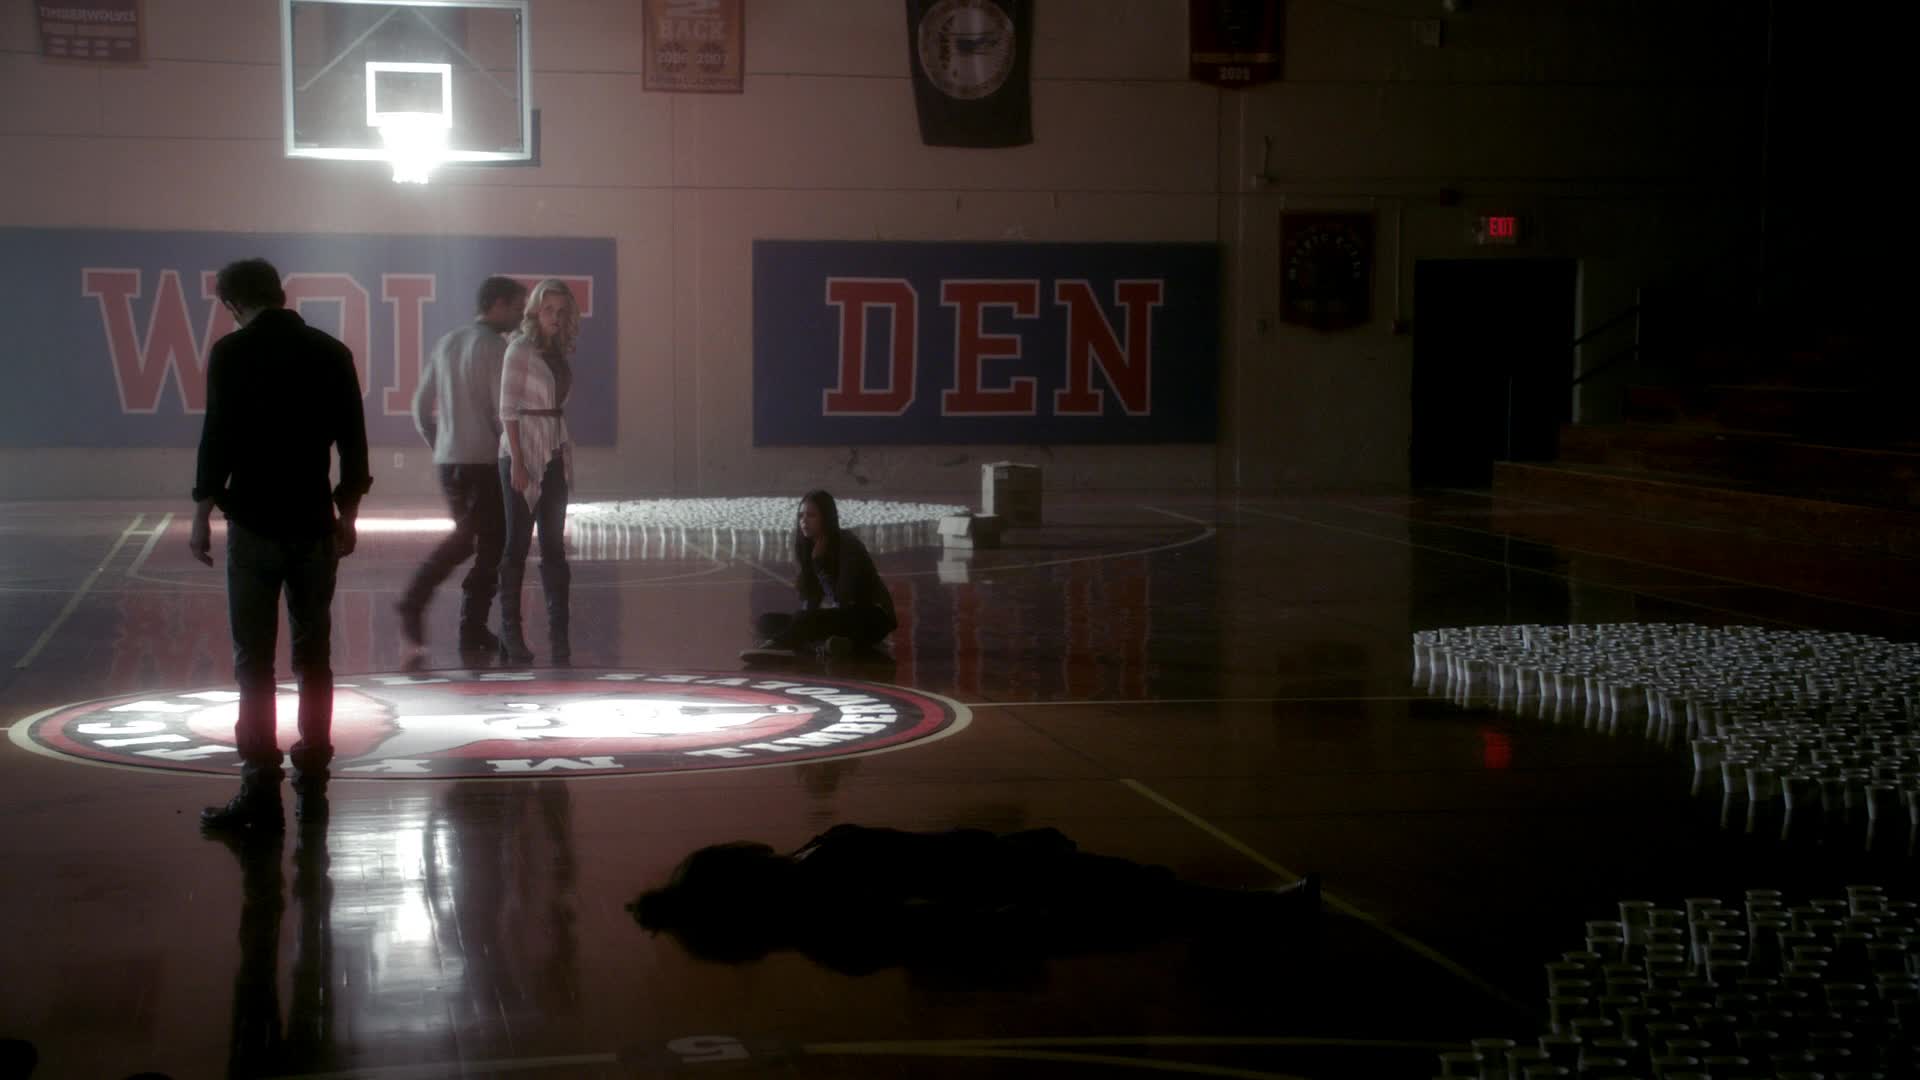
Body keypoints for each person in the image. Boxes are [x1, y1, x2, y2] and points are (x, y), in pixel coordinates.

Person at [630, 825, 1320, 979]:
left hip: (1014, 889)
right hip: (1020, 897)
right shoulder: (829, 886)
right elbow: (942, 916)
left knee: (1151, 901)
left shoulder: (826, 922)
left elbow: (936, 877)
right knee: (1148, 900)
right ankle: (1265, 916)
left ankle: (1258, 917)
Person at [190, 257, 371, 831]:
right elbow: (354, 444)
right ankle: (314, 776)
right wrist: (348, 513)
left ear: (232, 303)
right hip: (313, 524)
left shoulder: (231, 353)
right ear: (279, 292)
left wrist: (201, 512)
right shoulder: (331, 352)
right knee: (314, 655)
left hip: (254, 524)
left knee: (254, 661)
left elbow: (217, 437)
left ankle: (259, 789)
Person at [397, 275, 527, 663]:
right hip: (483, 463)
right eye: (517, 307)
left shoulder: (447, 342)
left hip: (449, 460)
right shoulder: (496, 349)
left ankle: (469, 626)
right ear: (497, 304)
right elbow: (502, 413)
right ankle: (421, 601)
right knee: (487, 544)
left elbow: (420, 408)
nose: (521, 316)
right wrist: (517, 459)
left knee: (477, 541)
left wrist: (441, 444)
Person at [497, 278, 578, 665]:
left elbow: (555, 405)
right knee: (516, 545)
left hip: (554, 449)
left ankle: (559, 636)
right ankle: (510, 633)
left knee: (554, 548)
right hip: (523, 450)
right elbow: (507, 409)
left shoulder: (558, 351)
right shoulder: (519, 349)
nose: (555, 317)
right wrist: (517, 460)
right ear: (535, 310)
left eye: (562, 311)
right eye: (549, 310)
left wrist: (556, 451)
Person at [742, 490, 897, 662]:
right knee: (766, 621)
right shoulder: (808, 545)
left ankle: (783, 646)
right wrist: (803, 621)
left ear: (826, 518)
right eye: (801, 516)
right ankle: (832, 644)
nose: (804, 521)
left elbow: (842, 599)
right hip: (842, 618)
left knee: (804, 619)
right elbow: (811, 600)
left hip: (871, 617)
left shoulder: (848, 544)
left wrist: (820, 565)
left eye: (811, 515)